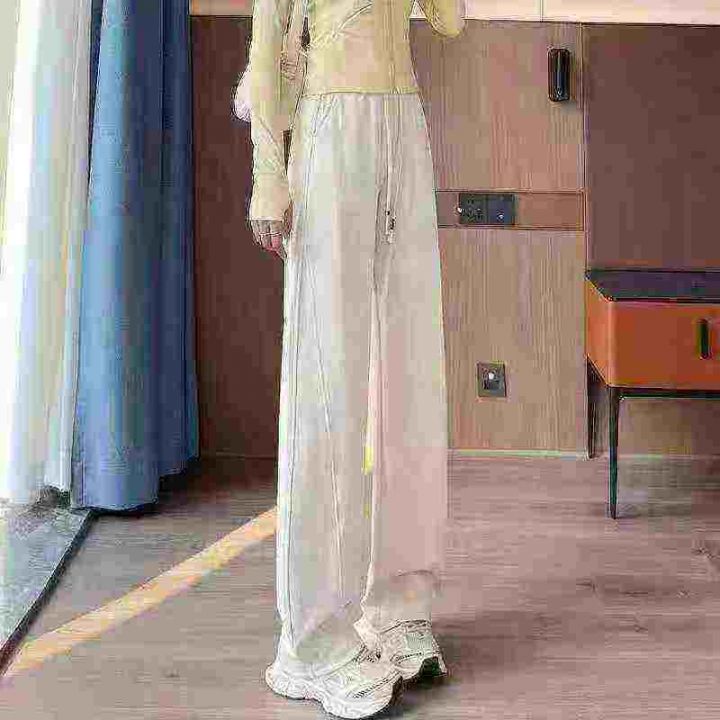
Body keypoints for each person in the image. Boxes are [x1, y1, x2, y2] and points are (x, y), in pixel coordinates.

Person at [246, 0, 465, 716]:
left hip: (403, 124)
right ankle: (310, 644)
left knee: (412, 372)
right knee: (325, 380)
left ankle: (398, 605)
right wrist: (269, 175)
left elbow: (450, 21)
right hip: (329, 128)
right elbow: (267, 43)